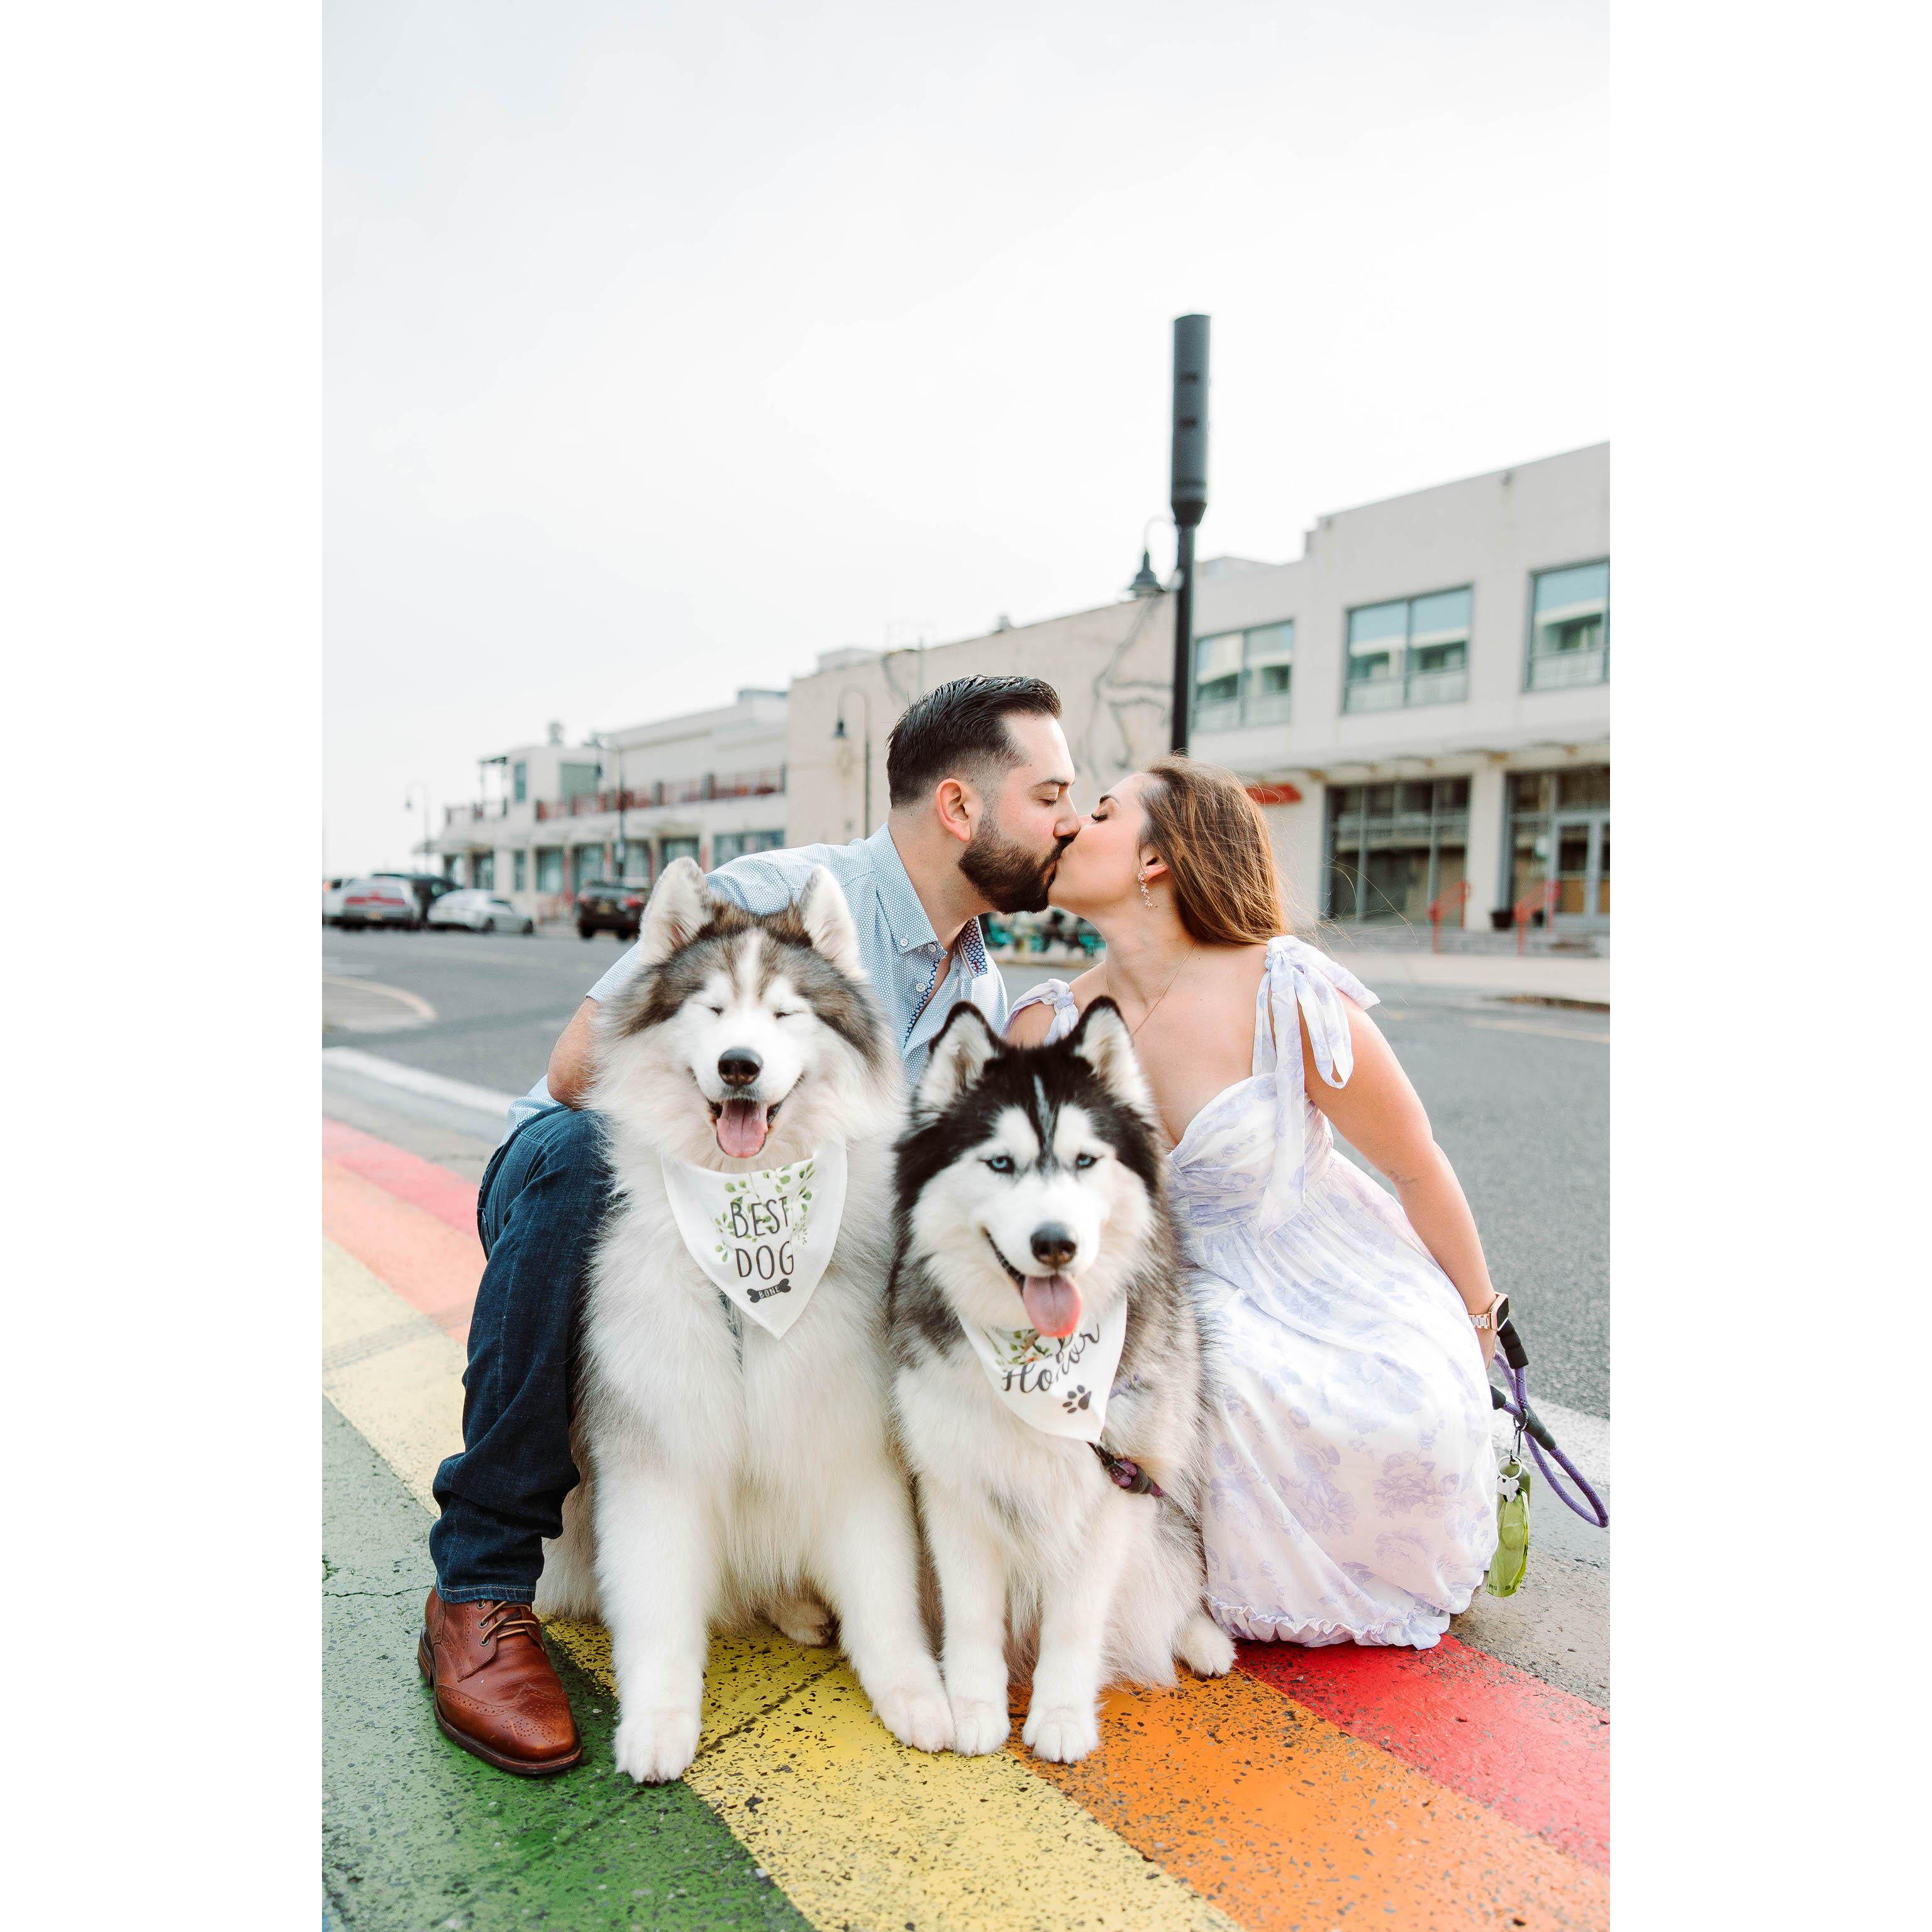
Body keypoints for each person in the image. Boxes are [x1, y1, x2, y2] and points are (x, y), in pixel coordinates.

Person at [422, 675, 1082, 1774]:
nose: (1067, 820)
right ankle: (480, 1587)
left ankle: (800, 1554)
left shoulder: (976, 972)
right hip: (611, 1197)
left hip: (785, 1237)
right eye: (1052, 795)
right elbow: (578, 1070)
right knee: (575, 1156)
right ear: (963, 809)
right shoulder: (779, 893)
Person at [1007, 756, 1499, 1650]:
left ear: (1156, 859)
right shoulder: (1045, 1026)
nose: (1072, 824)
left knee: (1401, 1406)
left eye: (1104, 812)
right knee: (1204, 1371)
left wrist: (1479, 1319)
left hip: (1321, 1277)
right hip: (1151, 1293)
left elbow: (1417, 1165)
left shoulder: (1286, 992)